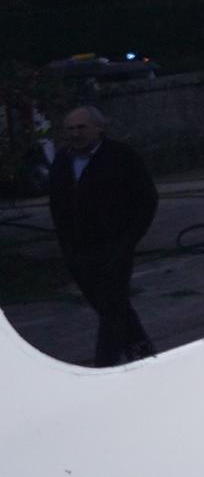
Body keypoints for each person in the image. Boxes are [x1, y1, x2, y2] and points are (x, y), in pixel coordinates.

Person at [46, 105, 158, 366]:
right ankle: (142, 349)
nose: (76, 134)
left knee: (111, 306)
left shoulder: (121, 156)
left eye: (81, 127)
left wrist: (128, 239)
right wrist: (65, 243)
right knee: (108, 304)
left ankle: (104, 364)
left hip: (114, 246)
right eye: (71, 129)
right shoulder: (63, 161)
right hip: (77, 249)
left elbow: (146, 198)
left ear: (98, 128)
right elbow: (57, 203)